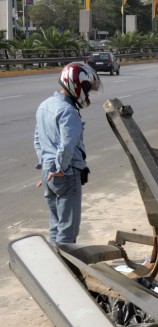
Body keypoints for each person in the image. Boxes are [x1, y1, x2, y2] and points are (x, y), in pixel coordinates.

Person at [34, 62, 102, 243]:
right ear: (78, 85)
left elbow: (38, 140)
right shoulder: (68, 111)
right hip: (65, 174)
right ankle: (66, 267)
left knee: (55, 225)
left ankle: (54, 264)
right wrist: (60, 168)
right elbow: (67, 145)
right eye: (87, 89)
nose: (87, 95)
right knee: (68, 229)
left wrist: (47, 167)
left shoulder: (45, 105)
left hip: (48, 173)